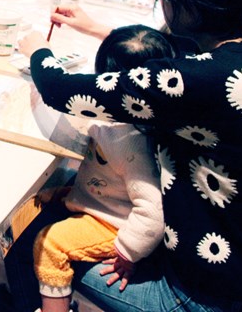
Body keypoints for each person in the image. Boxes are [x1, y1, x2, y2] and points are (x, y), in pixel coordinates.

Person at [16, 0, 242, 311]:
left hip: (205, 296)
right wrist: (99, 29)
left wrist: (37, 49)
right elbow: (171, 60)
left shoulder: (199, 80)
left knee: (35, 248)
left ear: (191, 1)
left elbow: (61, 90)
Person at [28, 25, 170, 312]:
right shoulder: (143, 120)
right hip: (107, 197)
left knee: (49, 244)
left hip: (115, 222)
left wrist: (128, 252)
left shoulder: (128, 142)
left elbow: (154, 211)